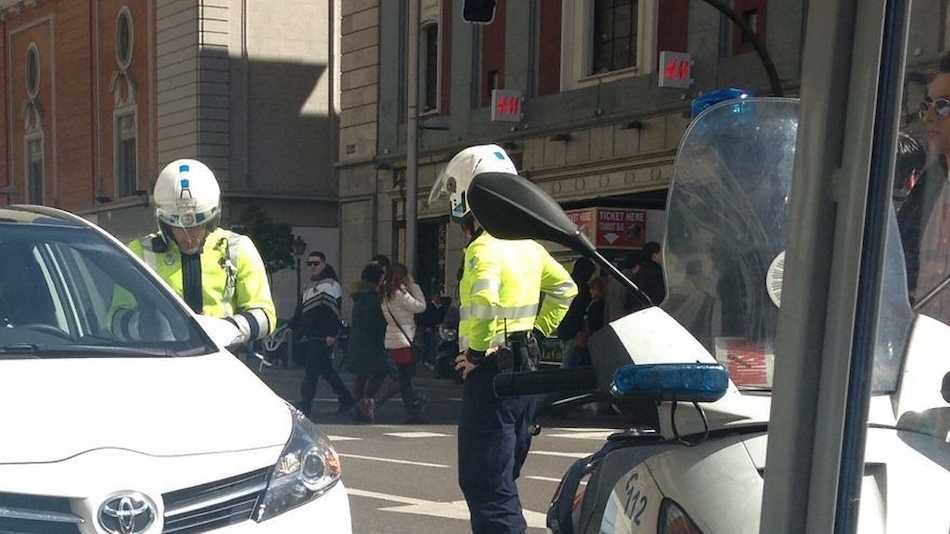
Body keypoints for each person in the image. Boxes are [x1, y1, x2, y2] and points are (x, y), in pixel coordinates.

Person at [428, 144, 577, 534]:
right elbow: (565, 288)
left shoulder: (482, 249)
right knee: (504, 477)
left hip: (491, 377)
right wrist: (537, 331)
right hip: (524, 375)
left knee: (486, 485)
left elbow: (483, 300)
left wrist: (475, 353)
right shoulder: (529, 247)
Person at [112, 159, 275, 345]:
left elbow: (265, 315)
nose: (189, 236)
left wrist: (226, 328)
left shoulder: (238, 248)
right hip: (159, 361)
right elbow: (114, 319)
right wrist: (147, 326)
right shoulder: (139, 252)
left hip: (222, 360)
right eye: (178, 227)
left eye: (198, 226)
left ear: (213, 220)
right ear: (164, 223)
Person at [290, 251, 355, 417]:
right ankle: (347, 399)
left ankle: (306, 403)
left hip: (322, 337)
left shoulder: (332, 285)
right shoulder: (308, 287)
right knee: (326, 371)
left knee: (311, 371)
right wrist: (291, 327)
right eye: (309, 263)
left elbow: (332, 313)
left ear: (324, 264)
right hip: (311, 335)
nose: (312, 266)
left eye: (316, 263)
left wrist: (332, 334)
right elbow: (300, 312)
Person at [381, 263, 429, 423]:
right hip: (404, 340)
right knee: (405, 379)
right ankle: (410, 407)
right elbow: (420, 307)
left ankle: (413, 406)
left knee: (403, 378)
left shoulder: (385, 293)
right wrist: (414, 286)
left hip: (393, 338)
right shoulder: (400, 293)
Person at [345, 263, 390, 423]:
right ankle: (365, 403)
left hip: (359, 341)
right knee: (381, 371)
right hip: (372, 342)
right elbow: (377, 322)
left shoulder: (360, 296)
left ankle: (360, 405)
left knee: (362, 375)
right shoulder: (372, 298)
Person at [556, 257, 596, 368]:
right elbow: (581, 311)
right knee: (571, 364)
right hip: (576, 332)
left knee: (567, 361)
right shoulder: (583, 288)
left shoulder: (565, 283)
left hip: (563, 328)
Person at [631, 241, 666, 306]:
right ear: (654, 255)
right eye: (660, 253)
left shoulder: (641, 269)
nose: (663, 256)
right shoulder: (656, 272)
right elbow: (658, 294)